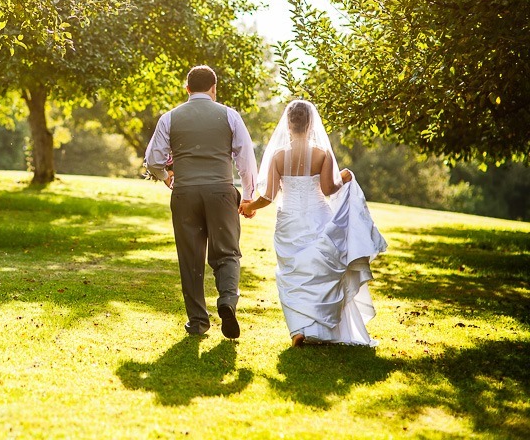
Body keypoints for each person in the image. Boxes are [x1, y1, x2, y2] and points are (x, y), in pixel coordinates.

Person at [241, 100, 387, 347]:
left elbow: (269, 196)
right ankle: (320, 327)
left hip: (288, 220)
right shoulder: (322, 154)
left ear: (288, 124)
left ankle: (298, 329)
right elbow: (329, 189)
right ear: (311, 124)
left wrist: (249, 207)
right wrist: (343, 177)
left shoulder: (278, 155)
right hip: (318, 217)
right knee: (320, 271)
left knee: (291, 275)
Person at [144, 65, 258, 339]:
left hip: (185, 194)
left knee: (191, 258)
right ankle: (227, 302)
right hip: (221, 191)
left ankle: (198, 322)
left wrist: (165, 177)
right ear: (214, 89)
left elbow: (153, 160)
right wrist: (250, 196)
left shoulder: (170, 118)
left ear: (187, 89)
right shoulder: (230, 115)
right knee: (227, 252)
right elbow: (246, 159)